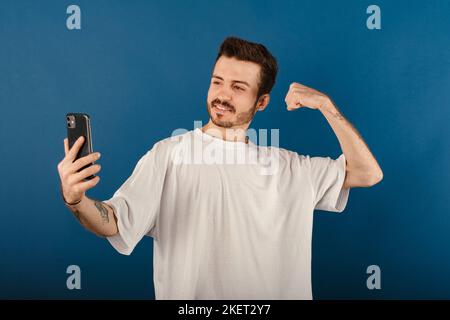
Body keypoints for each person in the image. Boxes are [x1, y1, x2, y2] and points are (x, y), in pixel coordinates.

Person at [57, 36, 383, 299]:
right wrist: (76, 200)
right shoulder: (169, 155)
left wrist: (325, 106)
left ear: (262, 101)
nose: (222, 95)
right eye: (217, 82)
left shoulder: (291, 169)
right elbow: (114, 221)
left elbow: (368, 173)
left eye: (238, 87)